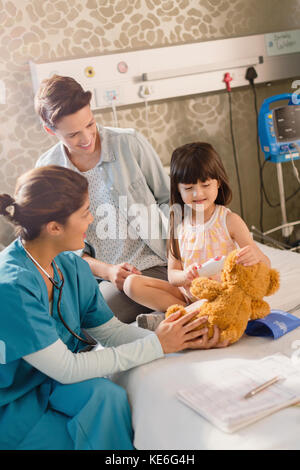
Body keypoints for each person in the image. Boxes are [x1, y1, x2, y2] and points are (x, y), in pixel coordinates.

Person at [0, 165, 226, 451]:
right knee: (64, 439)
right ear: (54, 228)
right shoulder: (12, 287)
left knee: (109, 398)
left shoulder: (70, 264)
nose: (91, 219)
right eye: (84, 213)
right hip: (14, 399)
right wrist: (158, 345)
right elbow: (67, 369)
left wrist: (183, 339)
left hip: (51, 382)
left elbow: (109, 332)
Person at [34, 75, 170, 323]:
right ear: (50, 130)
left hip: (153, 263)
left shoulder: (129, 143)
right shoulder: (49, 170)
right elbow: (63, 249)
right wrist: (108, 272)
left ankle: (166, 313)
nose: (86, 138)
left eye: (90, 124)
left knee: (95, 322)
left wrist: (183, 256)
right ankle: (161, 317)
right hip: (98, 275)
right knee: (62, 323)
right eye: (73, 134)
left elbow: (169, 199)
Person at [123, 142, 271, 330]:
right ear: (178, 189)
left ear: (218, 182)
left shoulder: (229, 220)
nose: (197, 193)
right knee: (131, 284)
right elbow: (172, 275)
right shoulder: (178, 225)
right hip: (189, 295)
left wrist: (255, 257)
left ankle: (186, 317)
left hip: (222, 294)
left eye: (205, 184)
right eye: (189, 187)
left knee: (231, 298)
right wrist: (186, 275)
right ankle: (191, 313)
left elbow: (266, 264)